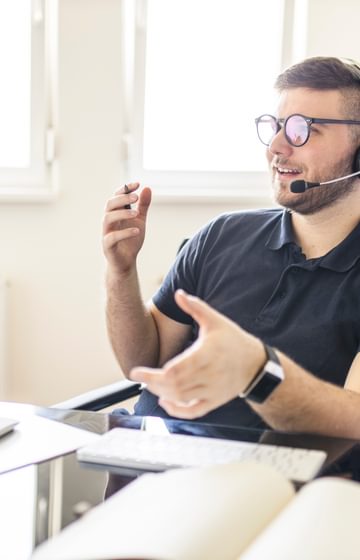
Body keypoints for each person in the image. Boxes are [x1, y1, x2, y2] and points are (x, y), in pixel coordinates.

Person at [102, 56, 360, 438]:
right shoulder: (221, 235)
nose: (276, 147)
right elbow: (144, 362)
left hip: (271, 481)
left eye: (301, 130)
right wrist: (121, 272)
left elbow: (353, 419)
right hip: (152, 457)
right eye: (274, 127)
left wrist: (256, 370)